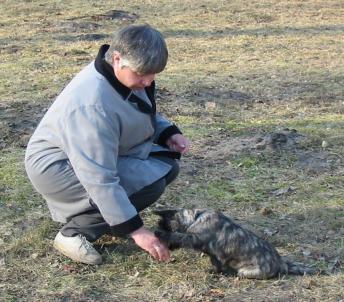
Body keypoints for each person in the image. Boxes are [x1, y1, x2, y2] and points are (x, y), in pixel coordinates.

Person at [24, 24, 190, 265]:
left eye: (153, 74)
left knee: (166, 167)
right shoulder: (90, 106)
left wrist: (167, 133)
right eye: (142, 73)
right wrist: (136, 230)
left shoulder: (120, 75)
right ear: (117, 58)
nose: (147, 81)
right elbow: (98, 177)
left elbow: (134, 110)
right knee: (150, 184)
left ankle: (110, 219)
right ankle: (75, 233)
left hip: (92, 158)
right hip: (58, 169)